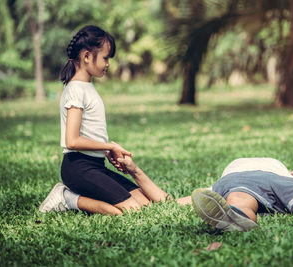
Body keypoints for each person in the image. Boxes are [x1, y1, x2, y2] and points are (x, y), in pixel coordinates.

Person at [39, 25, 186, 215]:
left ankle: (82, 195)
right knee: (131, 211)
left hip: (96, 167)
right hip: (79, 168)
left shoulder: (86, 87)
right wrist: (109, 146)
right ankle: (68, 197)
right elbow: (72, 141)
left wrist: (106, 149)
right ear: (86, 56)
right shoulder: (75, 90)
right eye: (105, 58)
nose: (108, 63)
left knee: (147, 206)